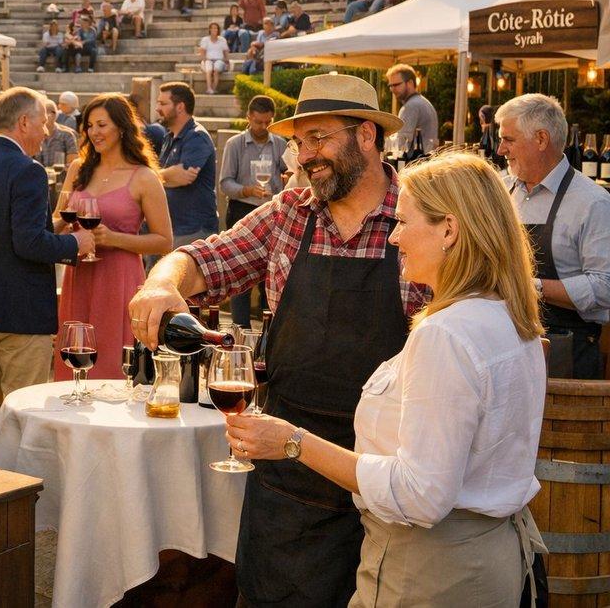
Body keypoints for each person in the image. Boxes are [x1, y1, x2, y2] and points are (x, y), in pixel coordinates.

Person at [130, 73, 430, 608]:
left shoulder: (418, 217)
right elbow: (201, 258)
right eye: (299, 142)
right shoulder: (289, 214)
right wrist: (160, 283)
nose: (305, 156)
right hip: (287, 475)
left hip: (386, 479)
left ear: (366, 135)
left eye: (319, 138)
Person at [226, 151, 546, 606]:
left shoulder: (445, 335)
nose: (394, 237)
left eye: (404, 222)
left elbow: (421, 494)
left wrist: (293, 442)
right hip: (487, 556)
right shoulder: (508, 316)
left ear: (449, 230)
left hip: (433, 571)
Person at [0, 88, 94, 460]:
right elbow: (28, 244)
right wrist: (75, 243)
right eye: (43, 122)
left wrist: (51, 231)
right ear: (24, 122)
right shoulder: (28, 170)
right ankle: (16, 489)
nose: (47, 130)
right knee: (23, 410)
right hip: (18, 312)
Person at [54, 95, 171, 381]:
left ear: (121, 127)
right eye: (89, 126)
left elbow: (164, 241)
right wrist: (65, 229)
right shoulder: (78, 169)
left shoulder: (143, 177)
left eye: (102, 125)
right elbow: (57, 220)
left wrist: (114, 239)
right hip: (79, 276)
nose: (94, 132)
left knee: (110, 362)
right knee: (73, 356)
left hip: (119, 279)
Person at [497, 94, 610, 379]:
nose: (500, 149)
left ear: (541, 139)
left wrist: (529, 287)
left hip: (566, 355)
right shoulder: (500, 190)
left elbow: (605, 287)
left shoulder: (592, 203)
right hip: (502, 347)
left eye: (508, 139)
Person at [218, 96, 287, 326]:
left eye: (268, 122)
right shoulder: (235, 144)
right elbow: (225, 183)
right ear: (248, 118)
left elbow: (289, 173)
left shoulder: (280, 144)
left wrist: (287, 179)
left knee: (271, 274)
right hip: (242, 211)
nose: (263, 127)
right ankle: (240, 329)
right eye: (258, 122)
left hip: (273, 211)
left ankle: (268, 331)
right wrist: (247, 190)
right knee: (240, 274)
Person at [155, 82, 218, 246]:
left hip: (193, 232)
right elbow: (169, 177)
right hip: (173, 229)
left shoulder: (197, 137)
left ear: (180, 107)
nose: (157, 108)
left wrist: (155, 177)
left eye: (162, 103)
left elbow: (183, 178)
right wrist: (163, 176)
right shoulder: (169, 137)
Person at [385, 64, 438, 151]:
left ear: (410, 83)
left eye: (396, 85)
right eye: (390, 86)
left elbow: (401, 144)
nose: (393, 89)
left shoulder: (411, 106)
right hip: (428, 156)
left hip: (419, 158)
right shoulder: (424, 102)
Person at [37, 100, 78, 168]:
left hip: (61, 174)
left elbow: (72, 164)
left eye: (52, 112)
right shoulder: (35, 135)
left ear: (54, 114)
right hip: (39, 174)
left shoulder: (67, 135)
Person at [199, 23, 229, 95]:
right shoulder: (205, 39)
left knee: (216, 70)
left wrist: (227, 61)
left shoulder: (222, 40)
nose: (214, 30)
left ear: (218, 30)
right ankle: (209, 88)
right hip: (208, 59)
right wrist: (205, 60)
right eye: (212, 28)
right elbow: (202, 52)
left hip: (219, 60)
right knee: (209, 70)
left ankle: (213, 88)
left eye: (216, 28)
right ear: (210, 29)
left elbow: (225, 51)